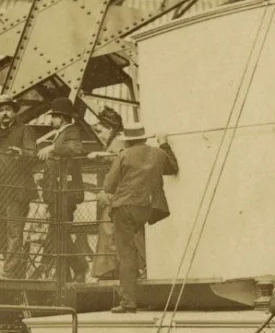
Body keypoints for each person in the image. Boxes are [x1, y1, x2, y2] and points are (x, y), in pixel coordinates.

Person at [98, 124, 178, 313]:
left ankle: (128, 302)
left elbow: (109, 184)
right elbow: (172, 168)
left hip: (125, 208)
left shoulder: (123, 155)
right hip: (149, 208)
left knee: (125, 254)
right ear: (144, 138)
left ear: (128, 140)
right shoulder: (158, 154)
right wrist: (164, 143)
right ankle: (141, 268)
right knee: (135, 244)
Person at [0, 95, 39, 277]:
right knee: (0, 232)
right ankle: (16, 269)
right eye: (0, 111)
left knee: (14, 232)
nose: (4, 113)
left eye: (7, 109)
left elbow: (33, 154)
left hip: (16, 191)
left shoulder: (24, 130)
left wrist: (21, 153)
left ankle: (9, 272)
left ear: (14, 111)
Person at [37, 98, 91, 281]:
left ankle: (78, 266)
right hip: (57, 192)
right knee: (59, 232)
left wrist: (53, 147)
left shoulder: (71, 131)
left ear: (61, 118)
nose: (51, 120)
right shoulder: (63, 133)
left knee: (59, 232)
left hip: (65, 193)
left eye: (53, 117)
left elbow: (76, 148)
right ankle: (66, 274)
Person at [89, 106, 126, 281]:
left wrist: (100, 154)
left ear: (110, 129)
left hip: (116, 194)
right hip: (115, 193)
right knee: (109, 231)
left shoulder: (118, 141)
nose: (100, 135)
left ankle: (110, 270)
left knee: (109, 230)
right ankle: (111, 269)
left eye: (101, 131)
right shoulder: (114, 141)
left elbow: (121, 158)